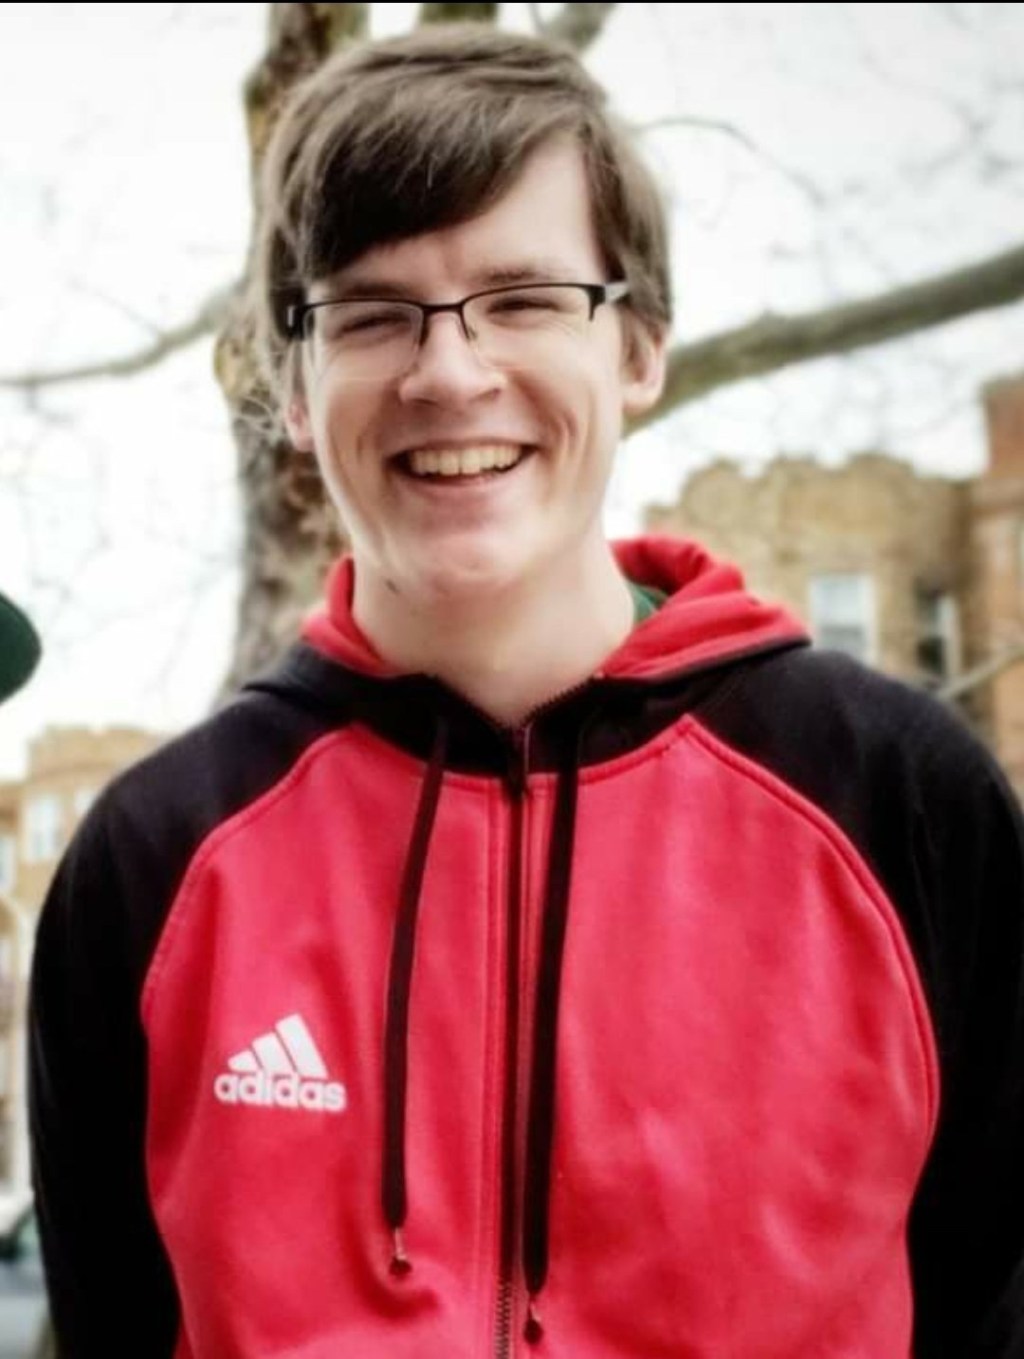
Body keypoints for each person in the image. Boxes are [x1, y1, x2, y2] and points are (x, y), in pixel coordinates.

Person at [27, 22, 1024, 1359]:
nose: (450, 372)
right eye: (370, 313)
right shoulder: (153, 863)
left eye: (525, 298)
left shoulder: (898, 801)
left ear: (641, 347)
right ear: (296, 386)